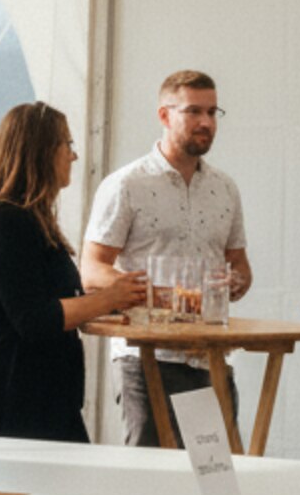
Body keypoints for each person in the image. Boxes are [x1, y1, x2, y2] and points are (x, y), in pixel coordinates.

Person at [0, 102, 147, 443]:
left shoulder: (28, 219)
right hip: (11, 412)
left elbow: (46, 303)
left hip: (41, 404)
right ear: (40, 151)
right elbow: (34, 319)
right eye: (66, 144)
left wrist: (112, 301)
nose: (74, 155)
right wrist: (107, 299)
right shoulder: (7, 222)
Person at [83, 70, 252, 446]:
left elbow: (239, 264)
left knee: (214, 474)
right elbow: (91, 269)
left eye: (212, 112)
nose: (206, 122)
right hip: (147, 356)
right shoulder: (126, 184)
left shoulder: (225, 188)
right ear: (164, 115)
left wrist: (238, 280)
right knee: (151, 474)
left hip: (210, 354)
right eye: (193, 111)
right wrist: (152, 294)